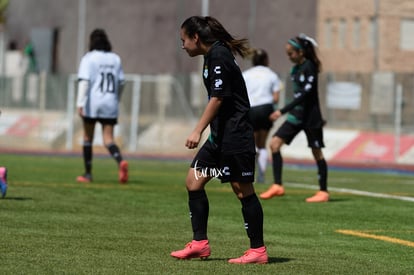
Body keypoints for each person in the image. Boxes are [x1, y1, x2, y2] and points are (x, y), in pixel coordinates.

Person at [170, 16, 268, 264]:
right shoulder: (211, 55)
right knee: (194, 181)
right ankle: (200, 243)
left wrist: (197, 131)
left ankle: (258, 250)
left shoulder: (219, 55)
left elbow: (219, 97)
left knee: (242, 190)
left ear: (196, 38)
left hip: (235, 136)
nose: (182, 46)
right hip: (220, 137)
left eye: (184, 40)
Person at [259, 34, 329, 203]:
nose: (289, 57)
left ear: (301, 52)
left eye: (291, 53)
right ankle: (277, 185)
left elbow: (305, 95)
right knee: (274, 144)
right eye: (287, 54)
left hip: (311, 117)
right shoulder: (295, 69)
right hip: (296, 116)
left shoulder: (310, 66)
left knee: (316, 152)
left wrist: (281, 111)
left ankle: (323, 192)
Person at [76, 29, 128, 184]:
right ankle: (120, 162)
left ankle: (88, 174)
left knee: (87, 138)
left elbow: (84, 81)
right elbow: (121, 82)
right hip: (110, 103)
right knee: (108, 140)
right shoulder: (115, 58)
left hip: (93, 103)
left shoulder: (89, 58)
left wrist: (80, 103)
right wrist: (116, 99)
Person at [242, 49, 281, 183]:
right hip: (266, 109)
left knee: (251, 144)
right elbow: (276, 98)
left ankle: (249, 175)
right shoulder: (272, 75)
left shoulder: (246, 75)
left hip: (250, 109)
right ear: (266, 60)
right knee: (262, 144)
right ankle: (261, 177)